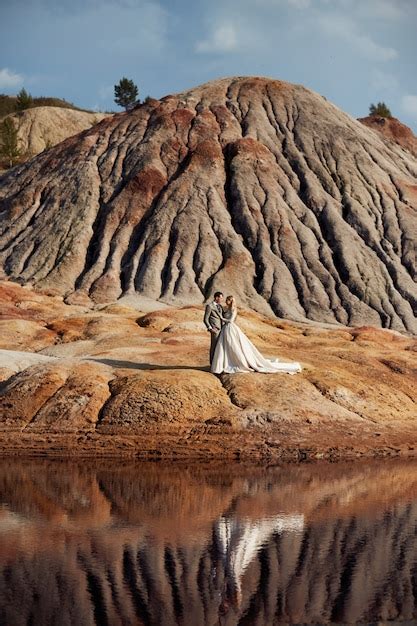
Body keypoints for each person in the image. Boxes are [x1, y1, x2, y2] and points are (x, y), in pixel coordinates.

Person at [211, 295, 302, 374]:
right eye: (226, 300)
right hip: (226, 329)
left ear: (231, 301)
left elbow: (230, 320)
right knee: (226, 346)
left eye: (228, 300)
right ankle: (225, 362)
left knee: (233, 345)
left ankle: (235, 362)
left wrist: (221, 318)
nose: (226, 301)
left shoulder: (234, 310)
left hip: (231, 328)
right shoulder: (226, 309)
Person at [204, 291, 225, 365]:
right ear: (216, 297)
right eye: (221, 298)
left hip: (222, 329)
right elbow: (205, 319)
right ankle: (212, 364)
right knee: (214, 346)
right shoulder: (209, 306)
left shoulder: (220, 306)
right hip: (215, 330)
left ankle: (218, 364)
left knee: (220, 347)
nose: (222, 300)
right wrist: (210, 328)